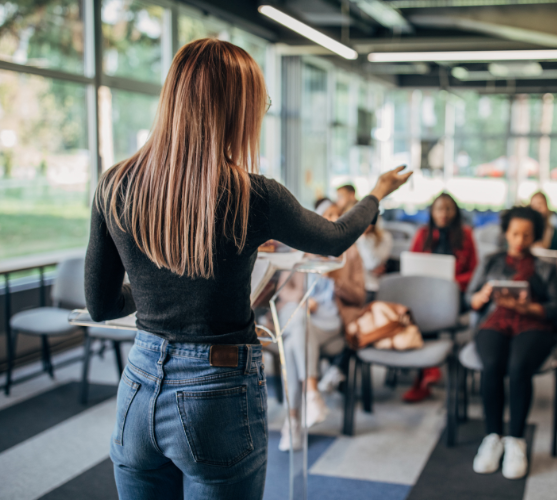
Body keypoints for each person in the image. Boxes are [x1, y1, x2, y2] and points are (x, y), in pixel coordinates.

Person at [84, 38, 411, 500]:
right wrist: (376, 193)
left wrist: (156, 292)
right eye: (260, 104)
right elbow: (336, 237)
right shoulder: (253, 194)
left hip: (138, 386)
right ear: (236, 108)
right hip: (216, 390)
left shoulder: (114, 184)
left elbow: (100, 306)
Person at [468, 206, 557, 480]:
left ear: (535, 236)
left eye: (526, 235)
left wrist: (529, 308)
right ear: (506, 233)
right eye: (514, 234)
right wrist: (482, 296)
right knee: (491, 364)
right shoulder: (490, 261)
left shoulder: (546, 267)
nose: (520, 240)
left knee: (518, 366)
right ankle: (493, 436)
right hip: (495, 320)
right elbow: (470, 300)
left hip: (533, 324)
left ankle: (516, 439)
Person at [276, 203, 366, 451]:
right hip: (299, 316)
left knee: (293, 346)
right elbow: (284, 291)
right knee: (299, 323)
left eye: (336, 215)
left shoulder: (350, 253)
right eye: (326, 215)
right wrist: (303, 300)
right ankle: (312, 394)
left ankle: (293, 421)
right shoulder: (299, 248)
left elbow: (359, 297)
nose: (331, 220)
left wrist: (337, 280)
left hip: (330, 323)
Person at [404, 193, 478, 403]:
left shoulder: (466, 235)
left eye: (448, 209)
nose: (443, 213)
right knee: (418, 308)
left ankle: (426, 374)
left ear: (455, 212)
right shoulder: (423, 234)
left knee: (428, 310)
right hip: (424, 295)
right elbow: (412, 266)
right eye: (439, 209)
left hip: (455, 295)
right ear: (432, 212)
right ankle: (427, 371)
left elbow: (474, 272)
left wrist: (450, 282)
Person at [356, 217, 394, 303]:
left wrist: (362, 239)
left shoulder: (385, 238)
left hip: (371, 284)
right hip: (354, 284)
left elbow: (372, 264)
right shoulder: (351, 238)